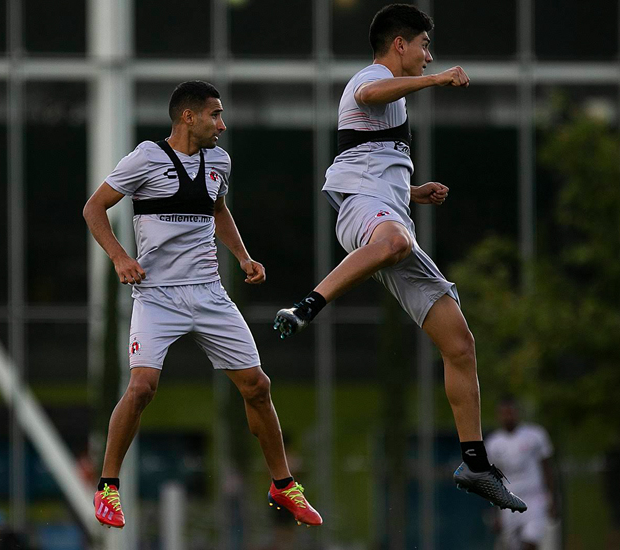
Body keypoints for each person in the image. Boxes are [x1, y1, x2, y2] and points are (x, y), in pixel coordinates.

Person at [271, 3, 526, 512]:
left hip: (388, 215)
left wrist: (412, 191)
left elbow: (368, 160)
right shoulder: (371, 78)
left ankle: (475, 464)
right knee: (395, 243)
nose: (429, 57)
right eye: (425, 47)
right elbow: (368, 96)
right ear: (400, 44)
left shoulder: (394, 103)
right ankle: (305, 307)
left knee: (460, 344)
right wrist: (437, 81)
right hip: (364, 215)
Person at [83, 80, 322, 529]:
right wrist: (120, 257)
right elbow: (94, 208)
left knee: (257, 386)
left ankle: (283, 484)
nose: (222, 124)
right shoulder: (146, 158)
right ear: (188, 117)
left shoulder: (219, 161)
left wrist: (243, 256)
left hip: (209, 293)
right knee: (142, 388)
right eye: (215, 114)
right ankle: (108, 487)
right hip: (157, 296)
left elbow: (218, 210)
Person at [486, 397, 559, 549]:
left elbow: (547, 468)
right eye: (504, 413)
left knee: (530, 541)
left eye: (510, 412)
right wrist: (495, 512)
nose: (508, 417)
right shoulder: (493, 443)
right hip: (508, 500)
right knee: (512, 545)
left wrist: (552, 498)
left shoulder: (535, 435)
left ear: (517, 413)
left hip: (534, 498)